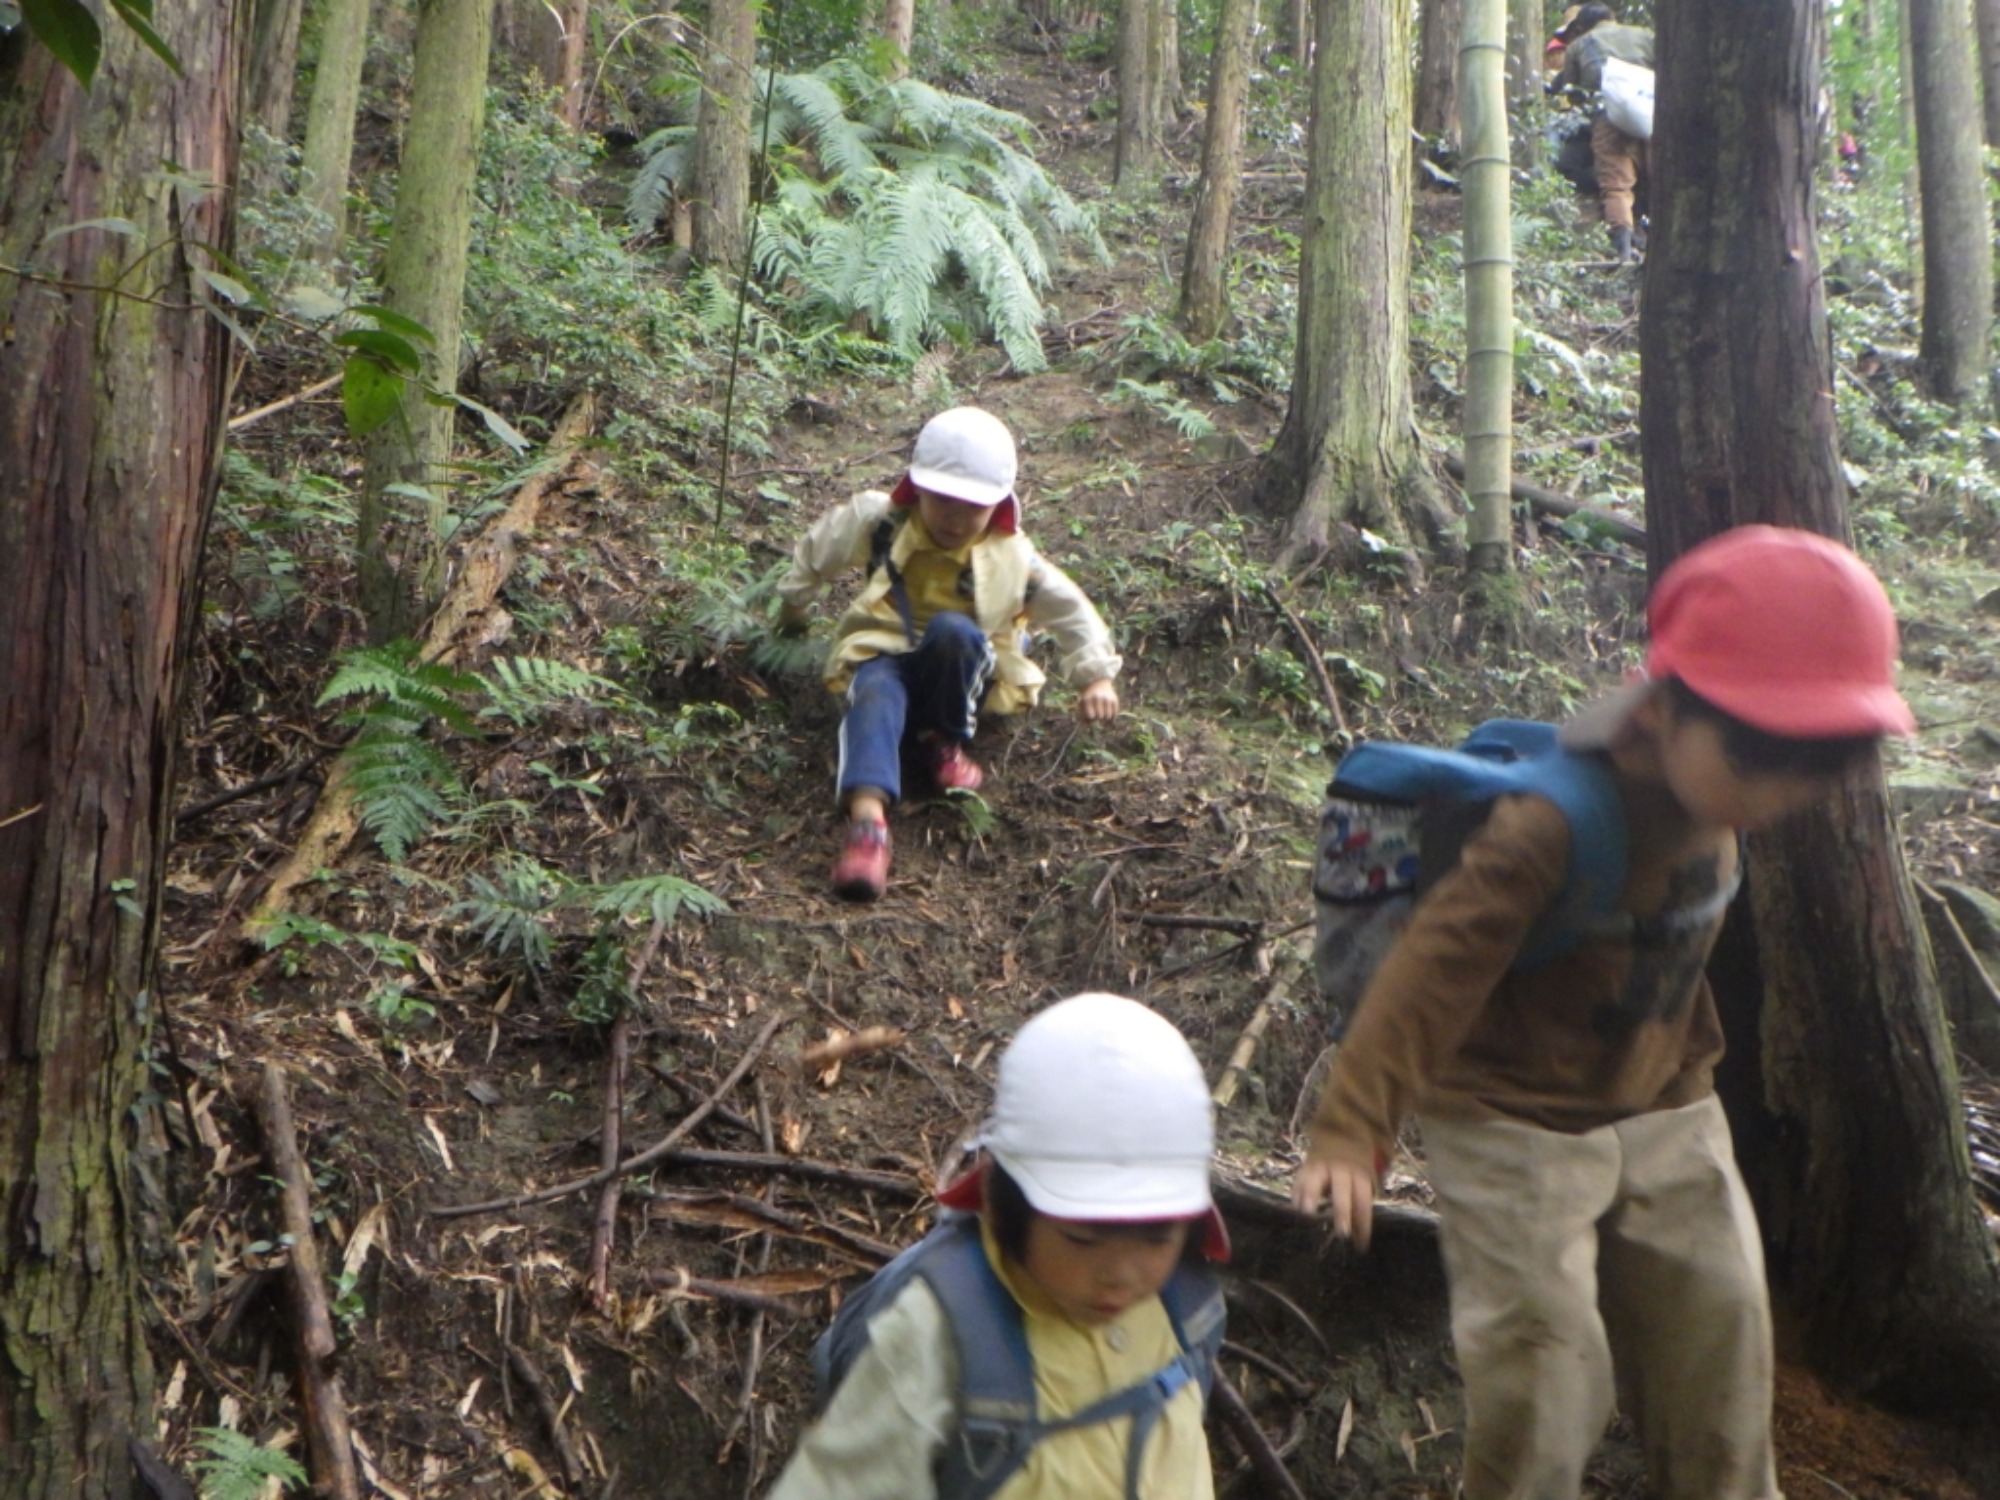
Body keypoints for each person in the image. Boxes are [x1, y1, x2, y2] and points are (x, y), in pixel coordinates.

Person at [1291, 525, 1918, 1500]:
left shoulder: (1724, 807)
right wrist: (1352, 1122)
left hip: (1666, 1102)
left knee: (1720, 1336)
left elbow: (1674, 948)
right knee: (1545, 1376)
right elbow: (1429, 971)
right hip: (1506, 1119)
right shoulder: (1549, 825)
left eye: (1816, 764)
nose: (1780, 794)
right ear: (1660, 712)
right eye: (1756, 756)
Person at [769, 992, 1230, 1499]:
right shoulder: (940, 1333)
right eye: (1082, 1238)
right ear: (1005, 1202)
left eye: (1156, 1238)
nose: (1122, 1272)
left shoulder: (1185, 1302)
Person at [776, 406, 1122, 902]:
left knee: (953, 632)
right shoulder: (882, 522)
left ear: (998, 506)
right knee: (872, 686)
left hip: (960, 668)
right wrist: (793, 608)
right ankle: (868, 827)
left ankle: (943, 740)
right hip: (885, 648)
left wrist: (1095, 676)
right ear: (918, 491)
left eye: (972, 508)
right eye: (942, 502)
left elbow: (1069, 609)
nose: (955, 520)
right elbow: (819, 549)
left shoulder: (1013, 555)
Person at [1552, 3, 1654, 262]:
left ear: (1582, 26)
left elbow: (1571, 91)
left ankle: (1623, 251)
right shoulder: (1644, 34)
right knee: (1658, 180)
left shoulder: (1581, 43)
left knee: (1616, 185)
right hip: (1652, 112)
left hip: (1608, 116)